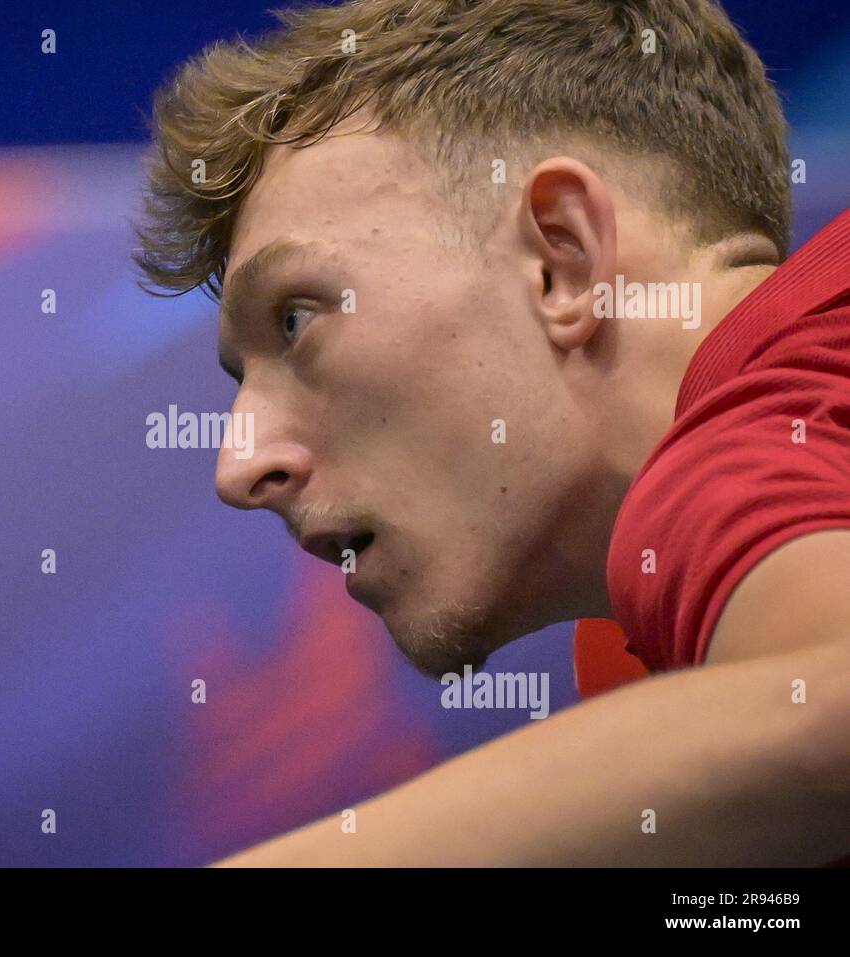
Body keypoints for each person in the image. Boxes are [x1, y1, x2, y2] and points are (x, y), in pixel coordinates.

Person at [132, 0, 850, 865]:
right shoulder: (647, 646)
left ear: (562, 259)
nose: (239, 466)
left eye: (295, 319)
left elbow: (829, 710)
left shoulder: (731, 465)